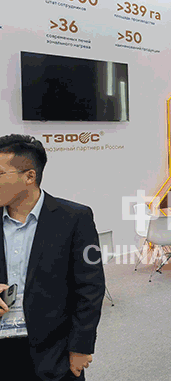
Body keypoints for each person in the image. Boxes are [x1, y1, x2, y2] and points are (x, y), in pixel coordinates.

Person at [0, 134, 105, 381]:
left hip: (54, 351)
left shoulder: (75, 218)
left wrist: (81, 346)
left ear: (29, 176)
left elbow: (90, 288)